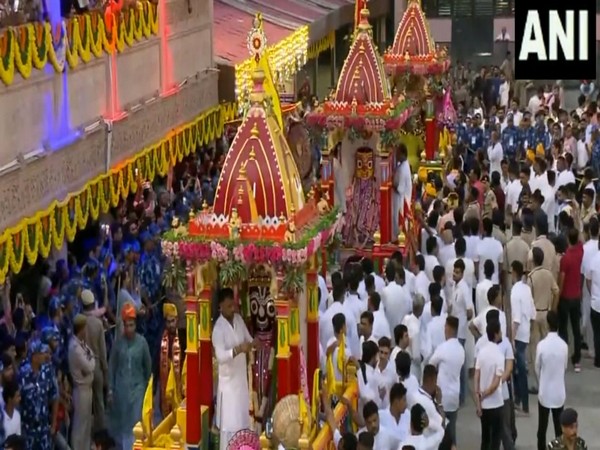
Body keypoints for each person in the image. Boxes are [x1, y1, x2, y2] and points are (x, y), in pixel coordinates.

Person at [212, 288, 255, 449]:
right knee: (230, 427)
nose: (232, 309)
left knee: (243, 422)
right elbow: (221, 357)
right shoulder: (218, 329)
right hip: (228, 388)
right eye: (229, 306)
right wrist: (238, 350)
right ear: (221, 306)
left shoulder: (238, 319)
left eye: (233, 305)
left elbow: (248, 340)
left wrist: (254, 343)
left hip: (241, 385)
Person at [108, 303, 152, 450]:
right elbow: (112, 367)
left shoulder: (142, 343)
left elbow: (148, 367)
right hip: (121, 390)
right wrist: (110, 389)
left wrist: (146, 388)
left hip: (138, 389)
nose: (129, 329)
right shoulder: (118, 344)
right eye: (126, 325)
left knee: (137, 423)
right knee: (123, 425)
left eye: (132, 325)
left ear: (136, 325)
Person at [429, 316, 464, 446]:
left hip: (442, 396)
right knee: (452, 431)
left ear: (449, 328)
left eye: (445, 327)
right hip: (455, 395)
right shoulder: (461, 349)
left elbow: (431, 364)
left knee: (440, 432)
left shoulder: (443, 348)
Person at [536, 311, 568, 450]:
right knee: (559, 430)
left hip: (545, 391)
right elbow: (565, 367)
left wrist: (541, 380)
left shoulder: (541, 345)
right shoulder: (564, 346)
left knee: (542, 429)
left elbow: (537, 368)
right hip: (559, 392)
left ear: (547, 325)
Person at [510, 260, 536, 415]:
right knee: (517, 369)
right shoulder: (526, 289)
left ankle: (523, 403)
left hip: (518, 334)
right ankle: (518, 399)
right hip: (525, 333)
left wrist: (512, 338)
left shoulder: (515, 291)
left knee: (519, 369)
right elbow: (532, 313)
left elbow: (516, 318)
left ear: (514, 273)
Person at [475, 320, 505, 450]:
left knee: (485, 438)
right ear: (496, 334)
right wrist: (484, 394)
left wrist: (478, 400)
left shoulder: (482, 352)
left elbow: (476, 376)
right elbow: (496, 383)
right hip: (496, 403)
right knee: (495, 440)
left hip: (484, 405)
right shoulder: (499, 354)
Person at [82, 288, 108, 432]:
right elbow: (103, 351)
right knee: (99, 402)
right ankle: (101, 432)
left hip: (83, 367)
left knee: (86, 405)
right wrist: (105, 371)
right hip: (96, 365)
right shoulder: (97, 324)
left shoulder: (78, 322)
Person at [558, 228, 584, 372]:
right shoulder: (580, 251)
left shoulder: (565, 258)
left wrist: (557, 298)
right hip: (576, 296)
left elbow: (561, 280)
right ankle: (577, 360)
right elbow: (580, 239)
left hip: (566, 297)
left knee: (563, 329)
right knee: (575, 328)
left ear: (568, 239)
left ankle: (563, 356)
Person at [69, 314, 96, 450]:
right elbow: (90, 366)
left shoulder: (82, 345)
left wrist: (91, 358)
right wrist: (91, 359)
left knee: (86, 424)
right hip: (81, 390)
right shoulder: (75, 348)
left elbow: (91, 355)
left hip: (87, 388)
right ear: (81, 329)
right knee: (80, 425)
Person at [160, 303, 183, 417]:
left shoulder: (182, 338)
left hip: (179, 381)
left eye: (172, 321)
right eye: (168, 322)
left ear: (177, 320)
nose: (170, 325)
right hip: (166, 378)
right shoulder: (162, 338)